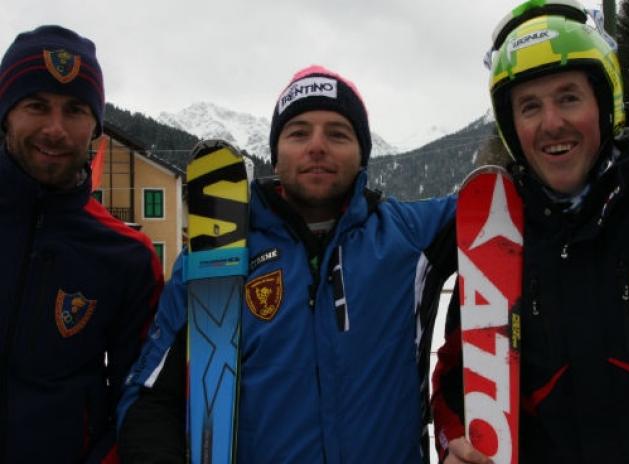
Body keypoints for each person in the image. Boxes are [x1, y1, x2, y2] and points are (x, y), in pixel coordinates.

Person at [116, 65, 456, 463]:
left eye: (337, 134)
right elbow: (152, 400)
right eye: (298, 133)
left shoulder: (411, 236)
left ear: (362, 155)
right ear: (275, 156)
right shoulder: (216, 255)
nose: (317, 146)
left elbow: (499, 203)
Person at [430, 1, 629, 463]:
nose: (551, 123)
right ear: (512, 126)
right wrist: (456, 443)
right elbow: (459, 384)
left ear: (604, 103)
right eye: (530, 106)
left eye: (569, 97)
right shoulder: (498, 238)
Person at [0, 25, 164, 462]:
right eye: (37, 105)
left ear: (95, 126)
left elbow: (139, 399)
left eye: (74, 110)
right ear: (6, 113)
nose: (55, 129)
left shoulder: (127, 256)